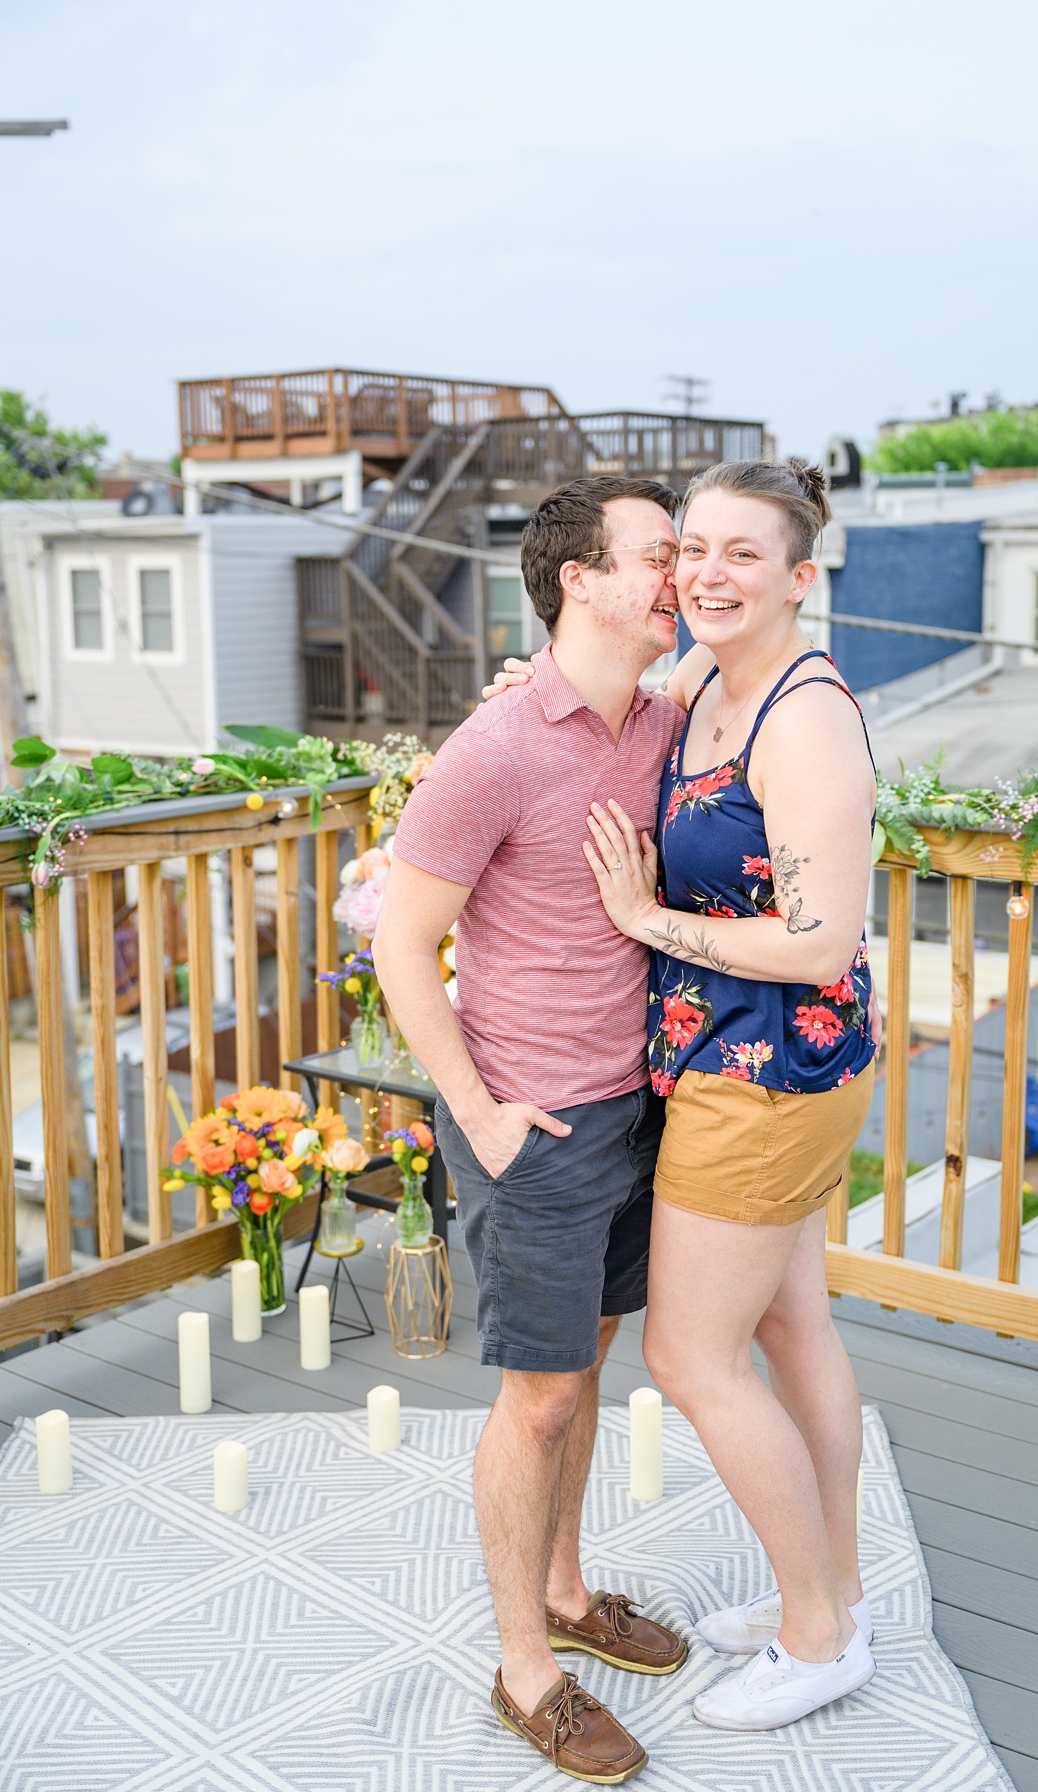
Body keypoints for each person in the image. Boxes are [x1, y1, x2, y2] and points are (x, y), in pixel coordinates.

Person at [378, 473, 690, 1785]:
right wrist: (482, 1115)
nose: (677, 575)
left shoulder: (666, 722)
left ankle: (568, 1590)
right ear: (582, 577)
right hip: (532, 1125)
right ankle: (527, 1669)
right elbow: (403, 943)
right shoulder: (494, 747)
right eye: (657, 555)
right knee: (541, 1395)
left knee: (590, 1372)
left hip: (635, 1107)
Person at [578, 458, 880, 1732]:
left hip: (766, 1075)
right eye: (691, 547)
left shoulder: (803, 716)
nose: (705, 571)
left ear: (802, 576)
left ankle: (816, 1640)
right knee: (793, 1327)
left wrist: (646, 919)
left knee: (688, 1352)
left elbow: (820, 940)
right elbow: (622, 697)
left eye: (741, 554)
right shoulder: (706, 678)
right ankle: (838, 1594)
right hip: (741, 1061)